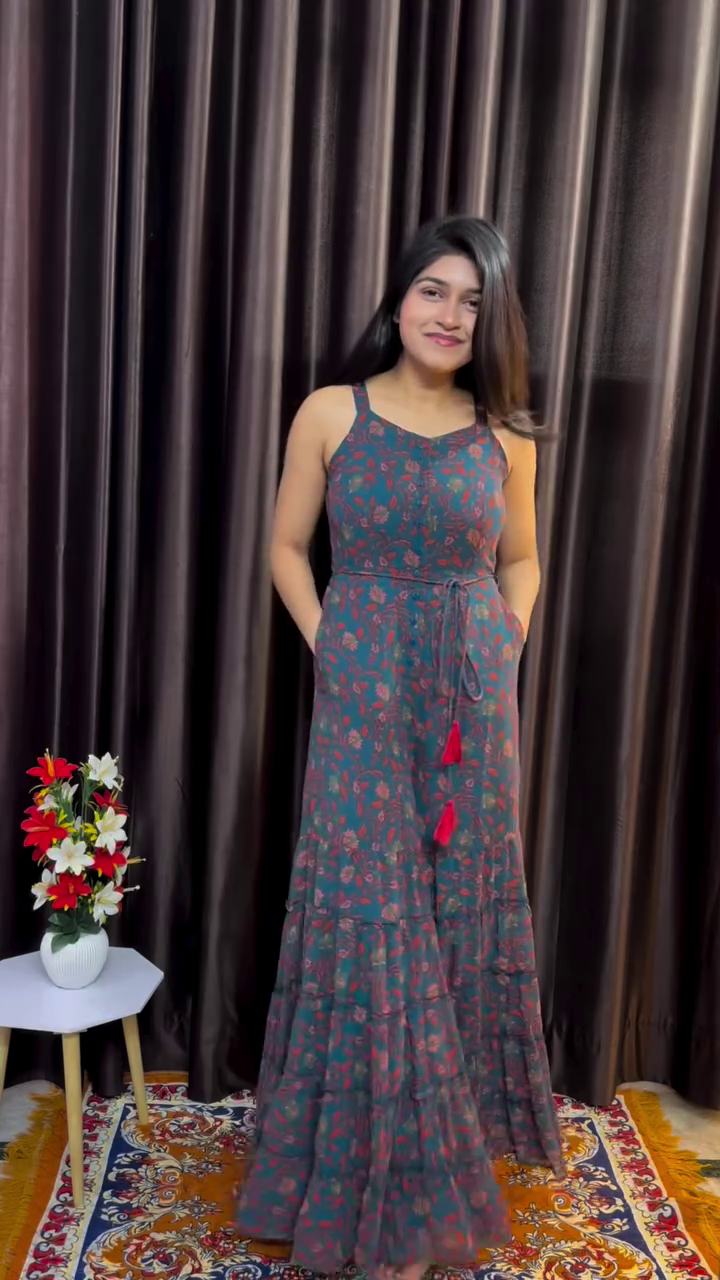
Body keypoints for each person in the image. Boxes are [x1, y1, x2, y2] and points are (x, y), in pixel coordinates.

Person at [236, 216, 564, 1280]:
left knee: (455, 914)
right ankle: (365, 1177)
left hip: (471, 703)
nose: (450, 315)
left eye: (473, 301)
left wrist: (505, 638)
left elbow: (523, 559)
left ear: (492, 321)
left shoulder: (506, 438)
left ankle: (426, 1182)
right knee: (377, 919)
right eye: (434, 290)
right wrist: (333, 643)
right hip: (363, 697)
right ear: (400, 296)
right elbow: (287, 546)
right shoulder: (333, 411)